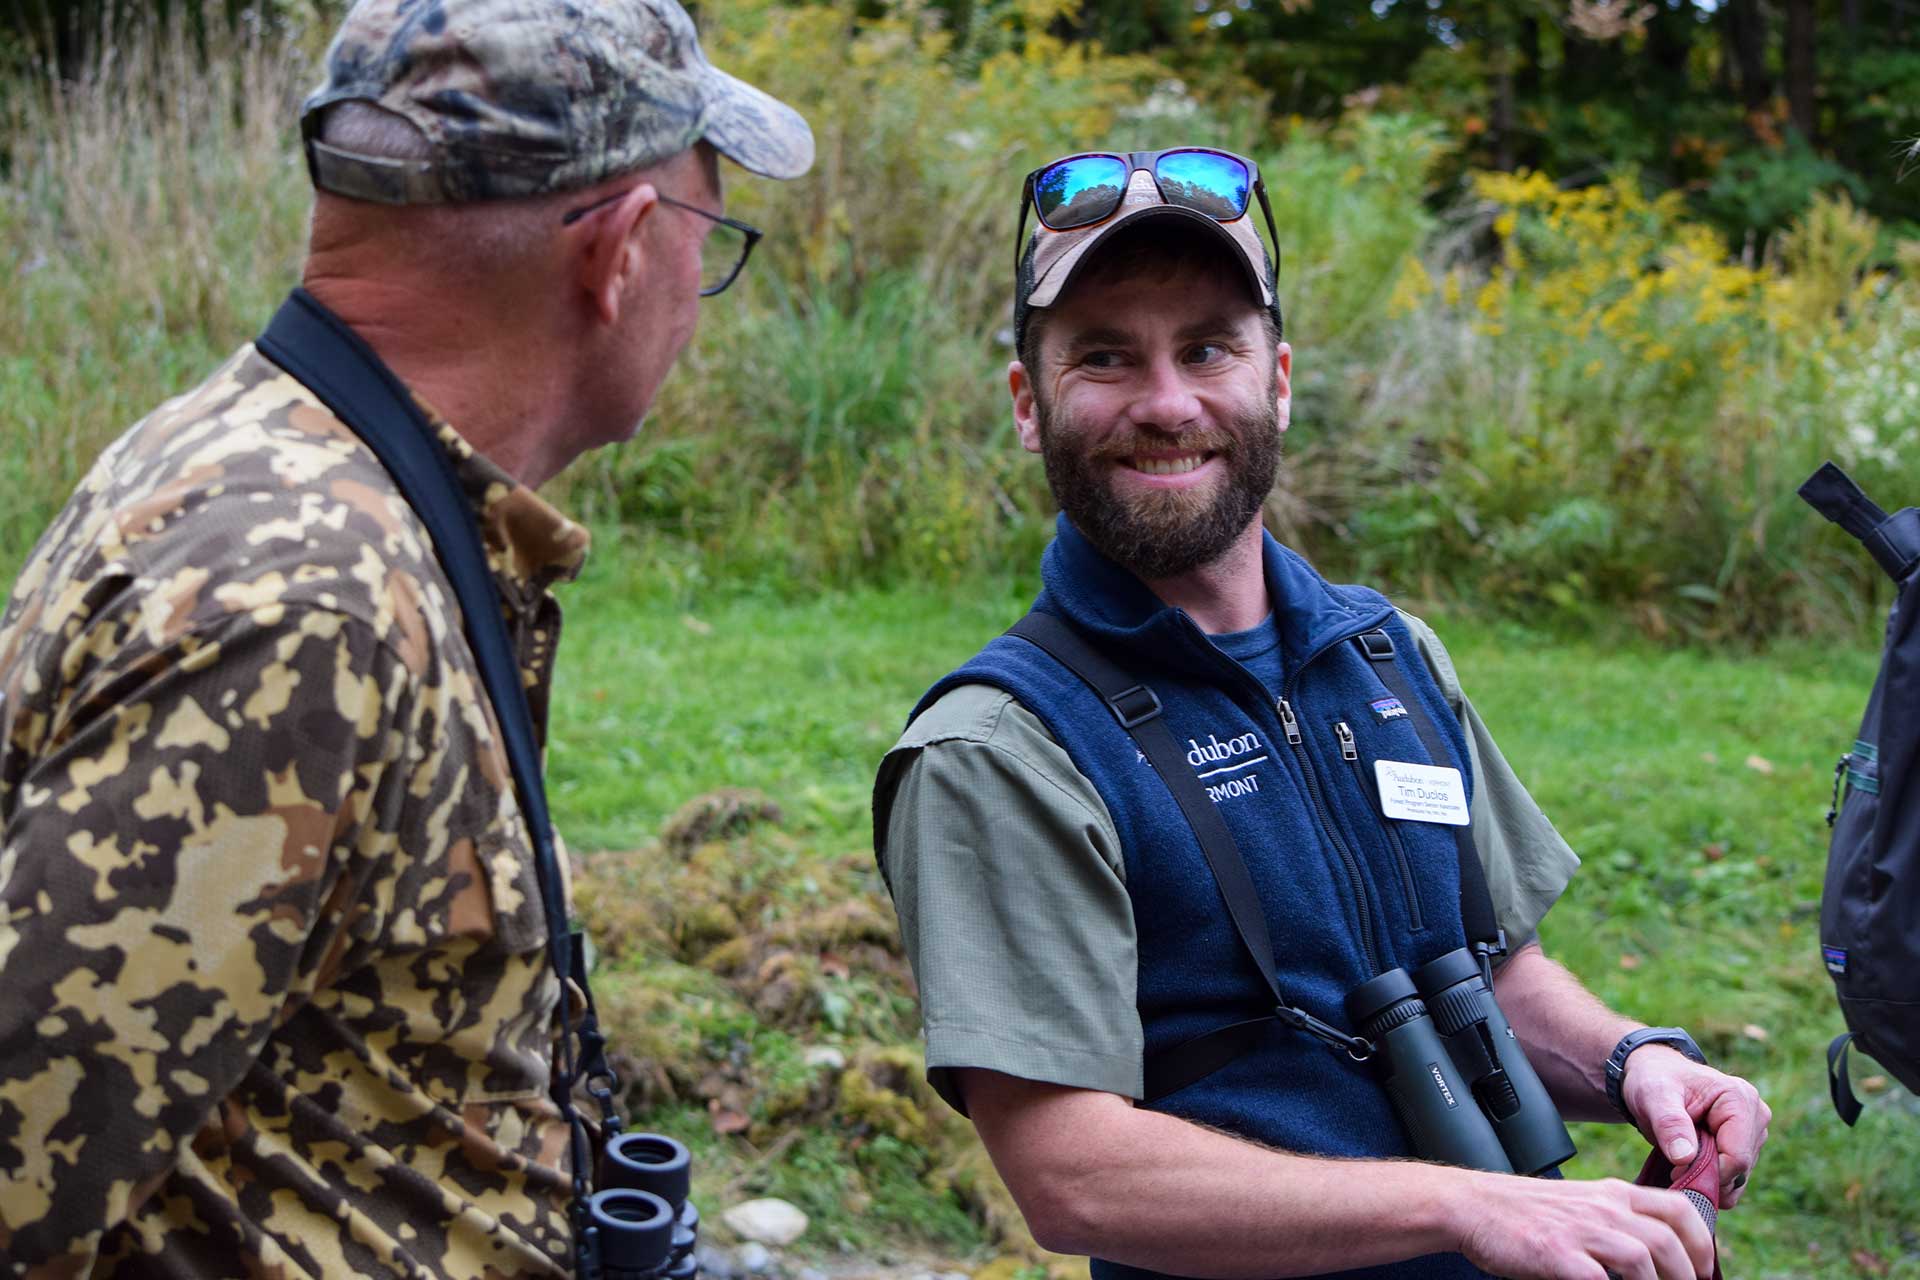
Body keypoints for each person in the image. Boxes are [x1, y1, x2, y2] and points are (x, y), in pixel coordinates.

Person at [0, 0, 811, 1274]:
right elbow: (21, 1162)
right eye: (708, 236)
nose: (700, 301)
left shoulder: (279, 460)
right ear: (622, 253)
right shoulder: (308, 606)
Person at [872, 148, 1771, 1280]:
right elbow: (1073, 1171)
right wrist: (1467, 1206)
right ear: (1026, 402)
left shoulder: (1385, 651)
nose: (1166, 402)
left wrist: (1634, 1063)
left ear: (1279, 380)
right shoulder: (1001, 749)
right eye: (1105, 356)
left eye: (1207, 348)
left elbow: (1492, 969)